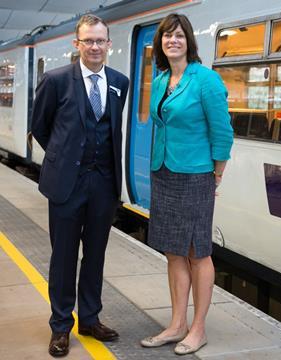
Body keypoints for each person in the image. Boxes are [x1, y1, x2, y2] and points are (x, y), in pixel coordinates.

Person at [31, 14, 129, 357]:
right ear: (77, 44)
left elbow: (112, 129)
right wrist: (64, 159)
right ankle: (61, 327)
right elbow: (40, 127)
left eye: (100, 40)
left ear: (109, 44)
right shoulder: (55, 80)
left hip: (104, 183)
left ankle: (90, 318)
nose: (94, 47)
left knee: (96, 256)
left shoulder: (120, 82)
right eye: (88, 41)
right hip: (66, 185)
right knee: (63, 258)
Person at [140, 13, 233, 355]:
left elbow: (223, 133)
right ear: (161, 43)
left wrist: (216, 174)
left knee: (197, 252)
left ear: (189, 41)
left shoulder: (205, 80)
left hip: (195, 175)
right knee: (174, 251)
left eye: (179, 35)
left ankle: (198, 328)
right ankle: (177, 324)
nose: (172, 41)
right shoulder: (163, 79)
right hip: (164, 172)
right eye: (167, 36)